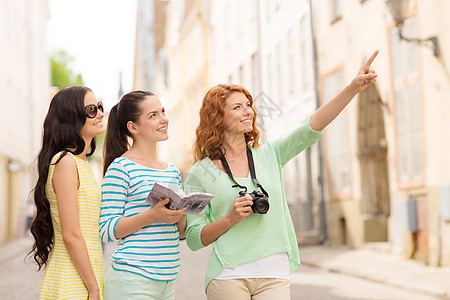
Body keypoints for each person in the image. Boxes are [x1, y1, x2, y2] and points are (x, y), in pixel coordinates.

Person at [185, 51, 379, 299]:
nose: (248, 112)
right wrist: (230, 218)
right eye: (237, 107)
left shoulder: (270, 155)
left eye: (248, 105)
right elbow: (193, 238)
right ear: (218, 118)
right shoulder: (200, 173)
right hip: (228, 274)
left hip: (274, 272)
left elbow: (311, 127)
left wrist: (352, 88)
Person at [100, 90, 187, 300]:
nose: (163, 119)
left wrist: (183, 212)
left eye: (162, 112)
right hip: (132, 281)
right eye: (153, 115)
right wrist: (152, 215)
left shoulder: (172, 171)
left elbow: (180, 233)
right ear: (133, 127)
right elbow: (106, 230)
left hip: (168, 281)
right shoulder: (120, 168)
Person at [28, 86, 105, 300]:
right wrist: (93, 288)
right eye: (91, 109)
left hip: (84, 278)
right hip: (70, 282)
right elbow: (70, 235)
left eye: (99, 106)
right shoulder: (65, 163)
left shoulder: (82, 165)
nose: (100, 113)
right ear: (71, 117)